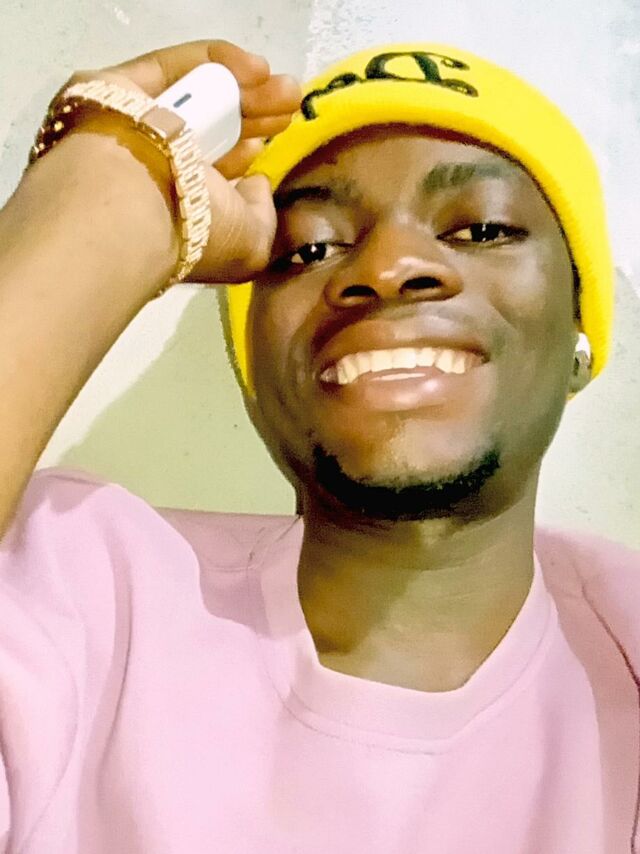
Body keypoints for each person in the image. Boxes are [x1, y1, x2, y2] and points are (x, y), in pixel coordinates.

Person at [0, 35, 637, 854]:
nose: (390, 265)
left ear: (582, 333)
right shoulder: (79, 587)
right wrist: (104, 192)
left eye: (481, 228)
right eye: (309, 248)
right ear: (254, 369)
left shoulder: (625, 638)